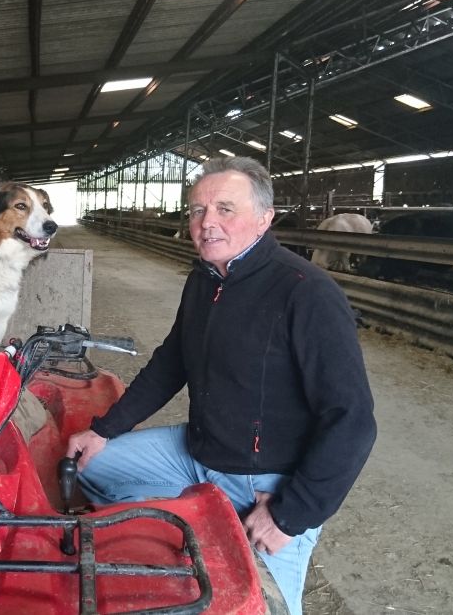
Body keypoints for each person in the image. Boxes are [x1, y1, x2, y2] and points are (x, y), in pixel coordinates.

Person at [66, 157, 377, 615]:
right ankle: (182, 530)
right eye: (196, 210)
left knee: (263, 608)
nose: (206, 222)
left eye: (225, 209)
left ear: (265, 218)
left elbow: (352, 420)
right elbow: (173, 361)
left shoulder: (306, 292)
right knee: (86, 465)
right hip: (198, 455)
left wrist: (291, 514)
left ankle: (232, 527)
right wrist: (105, 429)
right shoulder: (205, 278)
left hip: (268, 480)